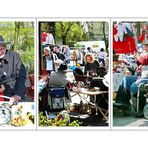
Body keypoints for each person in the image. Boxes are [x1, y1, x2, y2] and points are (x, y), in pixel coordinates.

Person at [0, 35, 27, 101]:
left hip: (14, 94)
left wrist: (18, 94)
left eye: (1, 49)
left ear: (5, 47)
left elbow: (22, 76)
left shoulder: (14, 57)